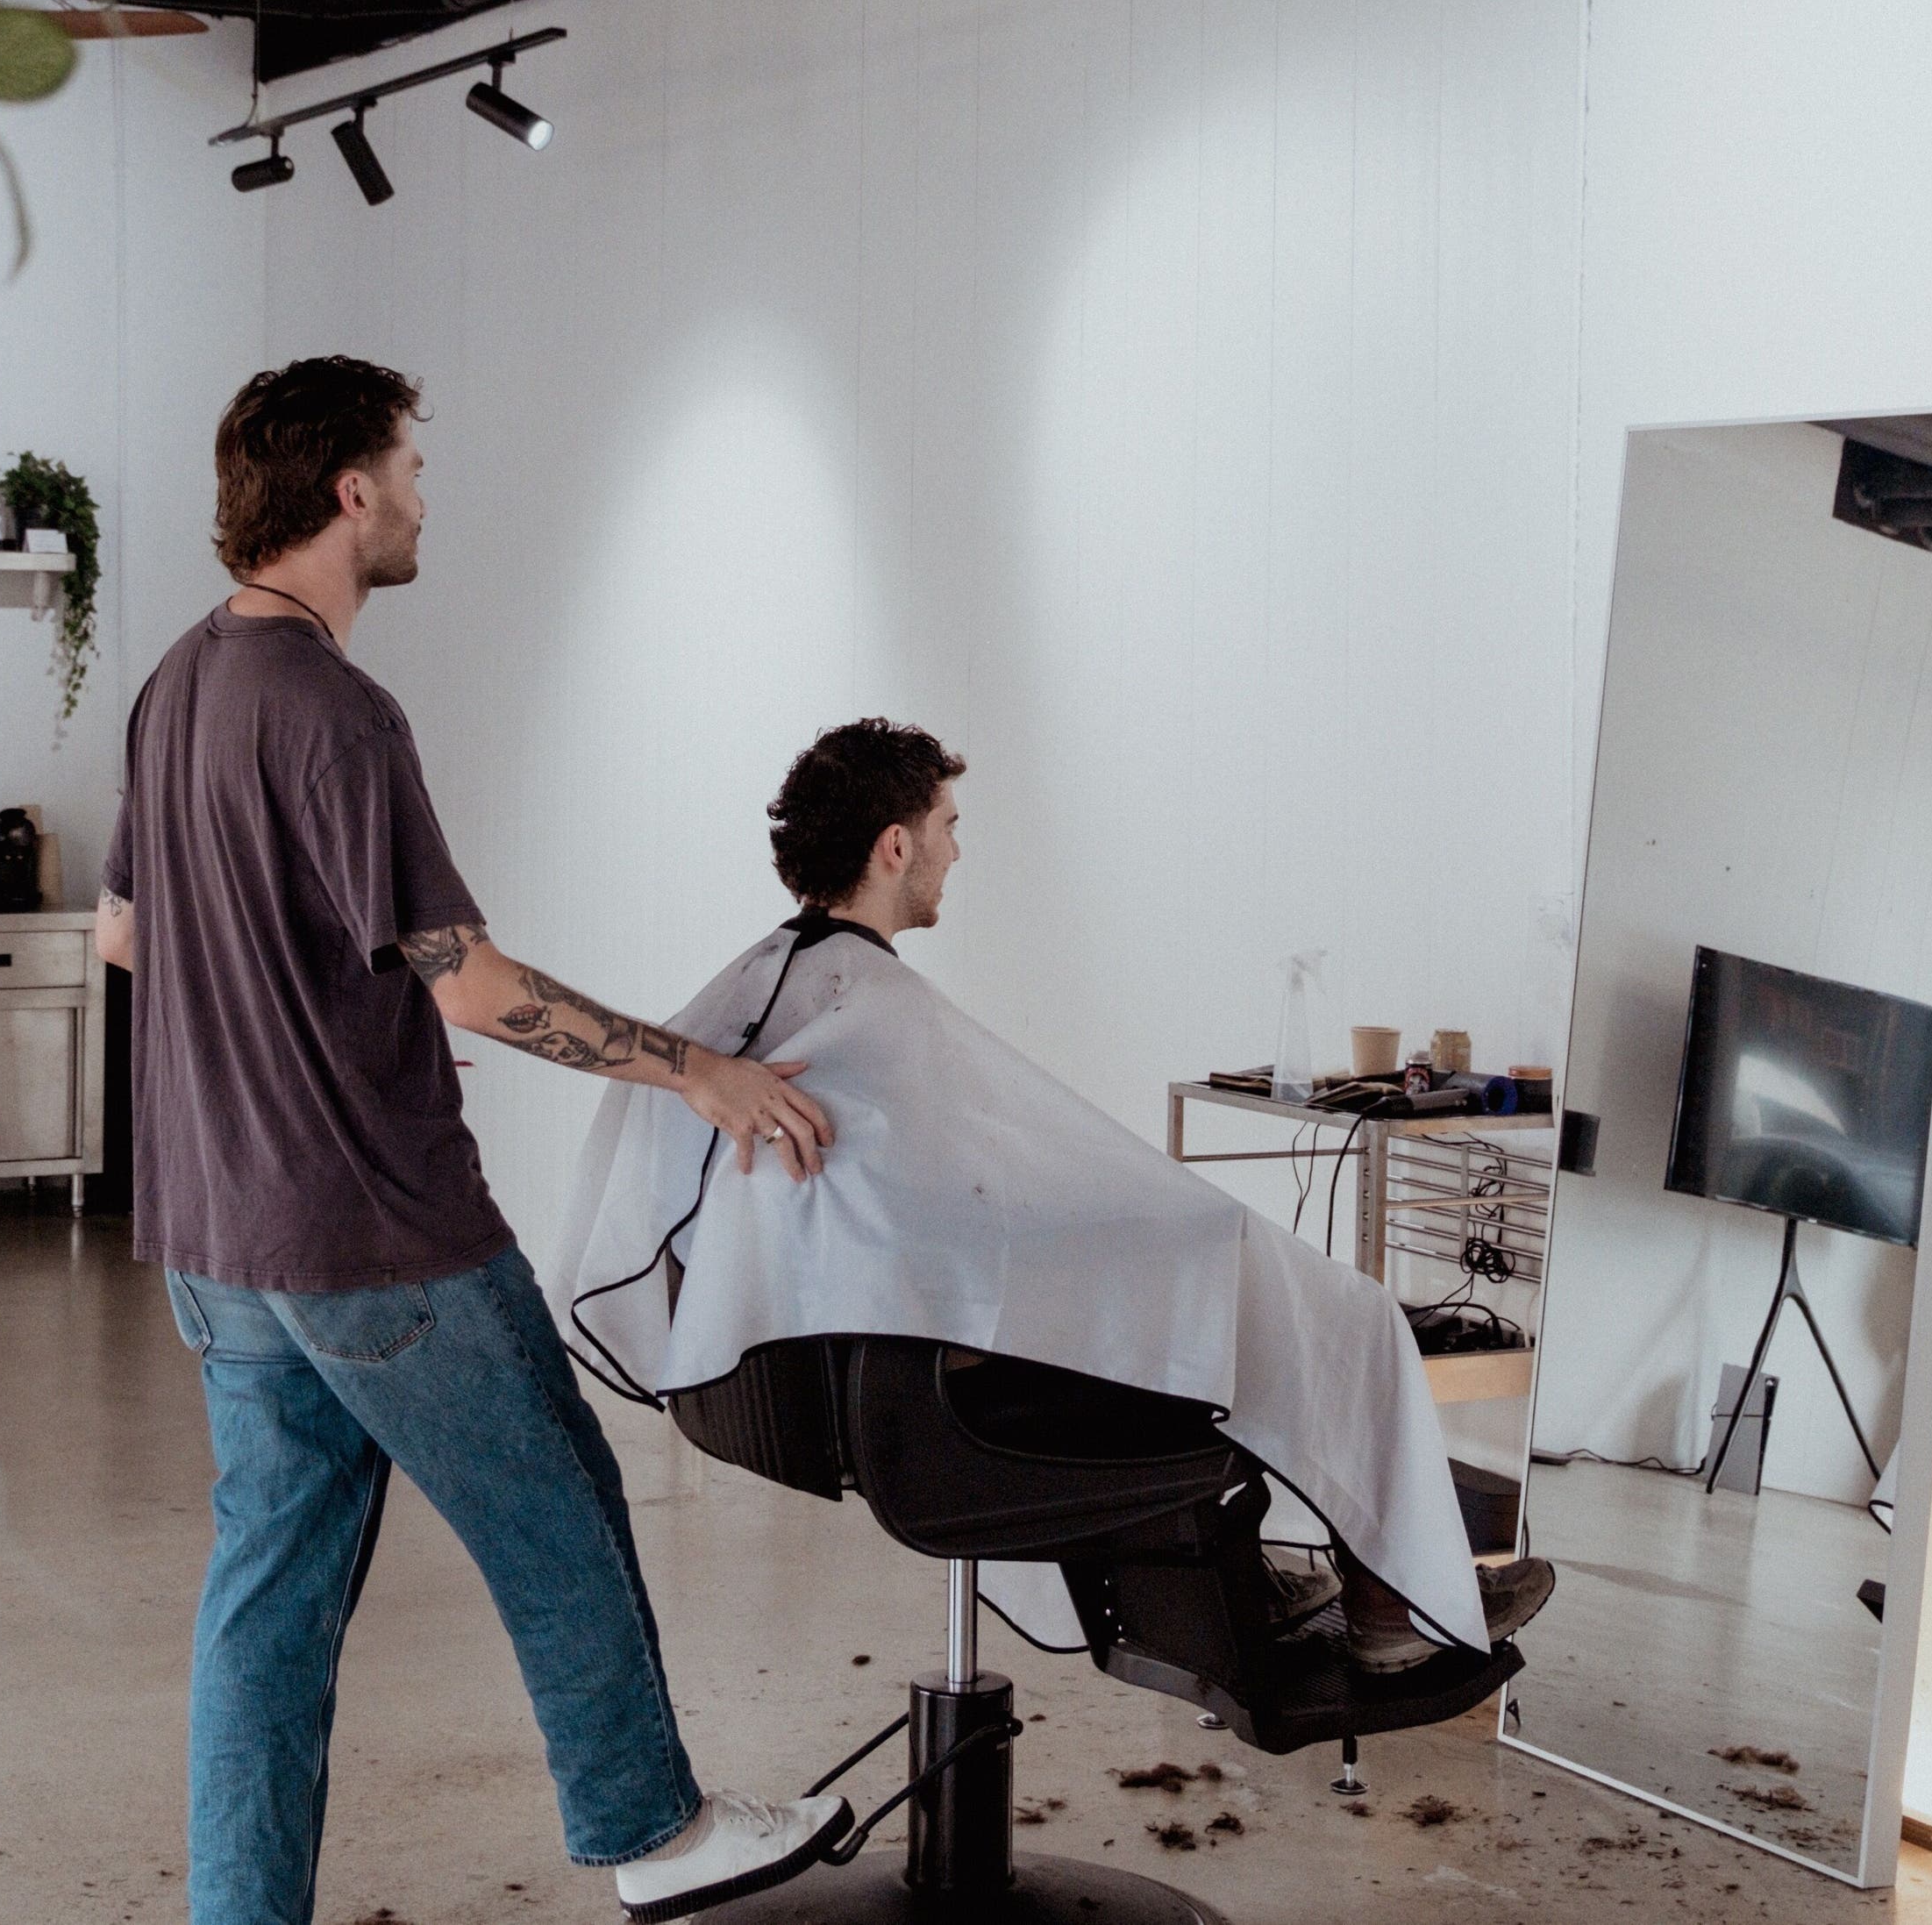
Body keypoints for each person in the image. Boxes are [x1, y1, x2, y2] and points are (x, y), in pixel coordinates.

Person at [97, 357, 851, 1925]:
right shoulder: (337, 711)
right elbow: (476, 989)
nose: (428, 494)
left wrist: (258, 1001)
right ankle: (653, 1827)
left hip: (218, 1240)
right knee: (558, 1502)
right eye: (413, 465)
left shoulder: (177, 683)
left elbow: (122, 934)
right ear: (352, 492)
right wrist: (696, 1069)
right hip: (373, 1230)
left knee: (269, 1600)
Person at [555, 718, 1558, 1673]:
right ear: (896, 845)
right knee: (1353, 1313)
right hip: (927, 1405)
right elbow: (972, 1209)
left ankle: (1266, 1570)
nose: (959, 848)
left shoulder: (754, 988)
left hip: (806, 1388)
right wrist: (1165, 1224)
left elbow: (916, 1207)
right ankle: (1391, 1610)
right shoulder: (873, 1011)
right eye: (949, 826)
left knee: (1211, 1293)